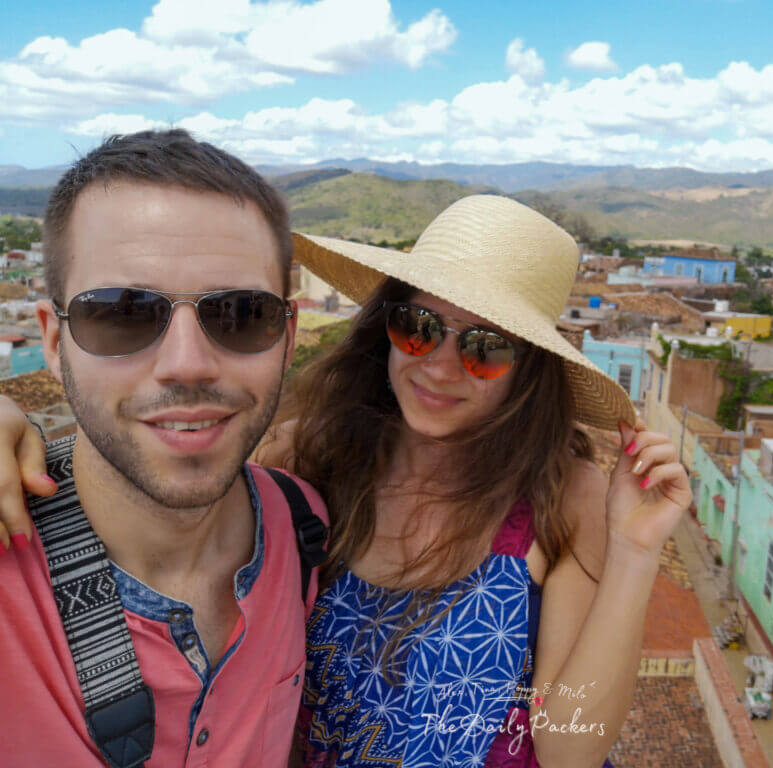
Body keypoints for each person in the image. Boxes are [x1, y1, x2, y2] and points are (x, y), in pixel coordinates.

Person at [0, 193, 690, 765]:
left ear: (530, 368)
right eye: (419, 326)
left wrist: (633, 552)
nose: (439, 367)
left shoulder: (557, 498)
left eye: (484, 347)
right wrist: (18, 430)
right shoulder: (310, 461)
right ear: (385, 328)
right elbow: (160, 478)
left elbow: (568, 748)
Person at [0, 130, 327, 766]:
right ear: (53, 338)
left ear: (287, 339)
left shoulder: (305, 527)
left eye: (239, 314)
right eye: (122, 313)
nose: (187, 365)